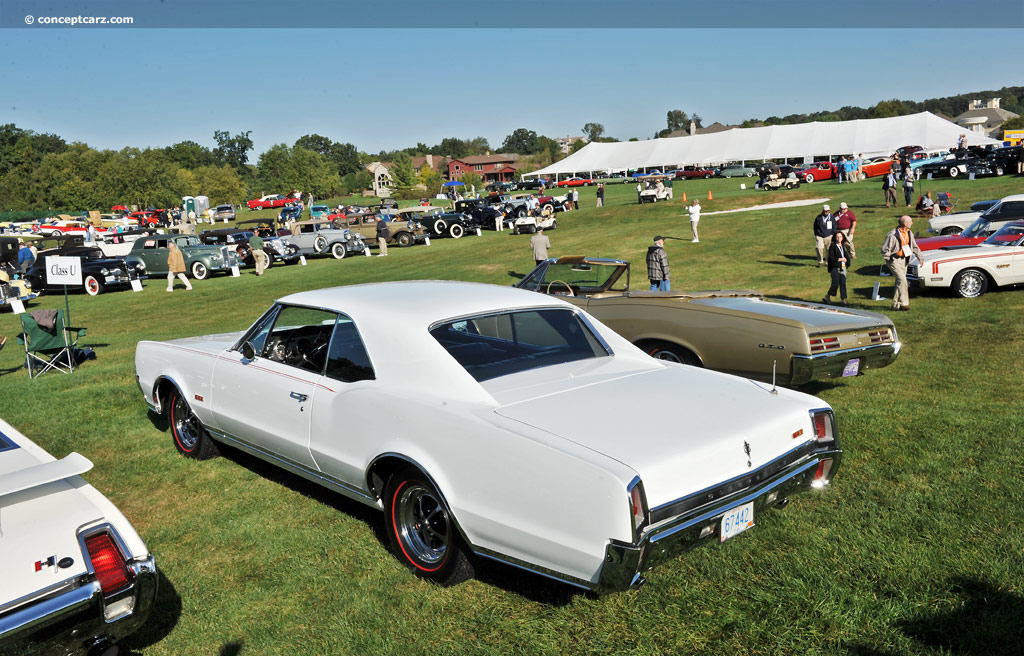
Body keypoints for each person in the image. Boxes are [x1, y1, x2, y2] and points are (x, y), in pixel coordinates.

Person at [881, 216, 923, 311]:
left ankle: (895, 305)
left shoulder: (909, 233)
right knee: (903, 280)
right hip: (894, 260)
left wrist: (920, 257)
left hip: (904, 260)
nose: (912, 223)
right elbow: (884, 249)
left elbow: (915, 246)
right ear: (904, 223)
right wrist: (888, 259)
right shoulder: (892, 234)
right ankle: (904, 304)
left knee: (899, 282)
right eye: (910, 221)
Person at [822, 230, 850, 305]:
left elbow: (847, 256)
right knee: (835, 283)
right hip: (835, 268)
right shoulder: (833, 246)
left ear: (842, 237)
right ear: (835, 238)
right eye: (837, 237)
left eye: (840, 237)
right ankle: (827, 296)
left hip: (843, 267)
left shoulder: (842, 246)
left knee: (843, 283)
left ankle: (843, 300)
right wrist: (841, 259)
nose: (839, 238)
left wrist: (847, 264)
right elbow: (831, 258)